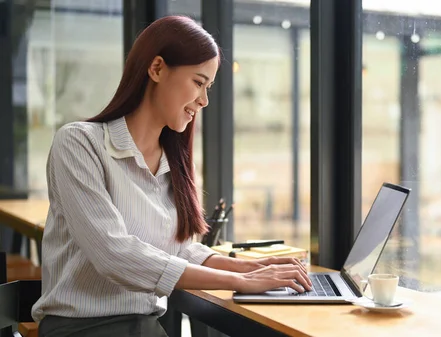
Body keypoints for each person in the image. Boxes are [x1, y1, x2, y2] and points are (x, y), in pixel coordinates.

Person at [31, 15, 311, 337]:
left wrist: (247, 266)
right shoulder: (80, 143)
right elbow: (114, 255)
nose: (204, 101)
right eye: (198, 82)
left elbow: (177, 249)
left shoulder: (169, 163)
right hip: (82, 329)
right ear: (158, 69)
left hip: (146, 327)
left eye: (208, 87)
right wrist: (241, 281)